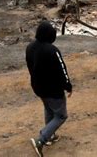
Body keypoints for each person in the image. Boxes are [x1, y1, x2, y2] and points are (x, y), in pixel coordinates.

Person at [26, 21, 72, 157]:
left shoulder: (30, 47)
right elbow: (62, 69)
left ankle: (50, 137)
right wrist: (68, 86)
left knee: (49, 108)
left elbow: (30, 67)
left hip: (38, 87)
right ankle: (41, 140)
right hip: (53, 89)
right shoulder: (52, 50)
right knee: (61, 115)